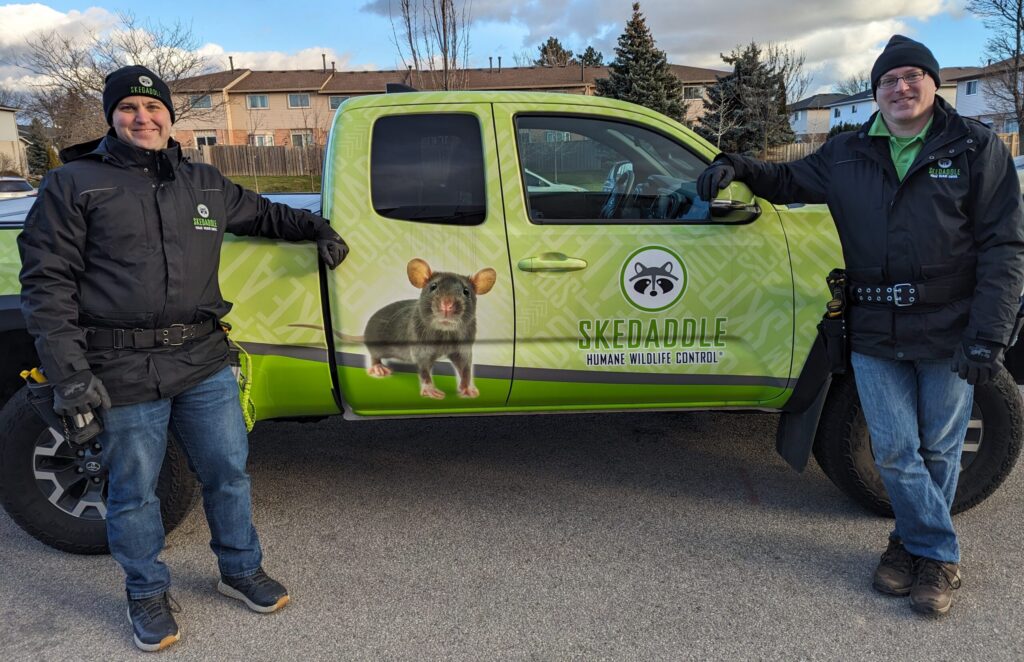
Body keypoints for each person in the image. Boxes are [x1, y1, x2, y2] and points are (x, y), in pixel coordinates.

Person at [18, 65, 349, 651]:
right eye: (128, 109)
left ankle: (240, 569)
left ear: (171, 117)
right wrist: (71, 378)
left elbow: (267, 213)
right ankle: (145, 592)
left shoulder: (205, 182)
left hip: (201, 360)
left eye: (153, 108)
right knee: (134, 490)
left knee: (227, 471)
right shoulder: (74, 184)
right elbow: (47, 285)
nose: (142, 118)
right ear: (111, 116)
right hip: (120, 368)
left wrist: (316, 227)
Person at [697, 35, 1024, 615]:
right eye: (888, 80)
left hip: (952, 326)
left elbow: (1005, 246)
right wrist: (734, 165)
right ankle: (934, 550)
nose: (900, 88)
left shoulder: (974, 148)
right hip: (874, 325)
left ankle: (914, 548)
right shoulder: (848, 152)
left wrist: (989, 333)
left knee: (941, 448)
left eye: (911, 76)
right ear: (875, 92)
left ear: (933, 82)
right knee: (897, 450)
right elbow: (788, 181)